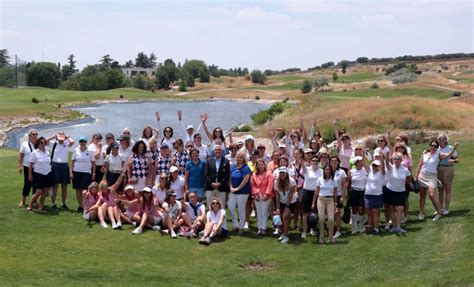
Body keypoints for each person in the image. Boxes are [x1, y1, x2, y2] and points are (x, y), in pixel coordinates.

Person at [415, 140, 459, 221]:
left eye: (435, 146)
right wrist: (416, 177)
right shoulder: (425, 154)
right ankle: (421, 213)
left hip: (431, 177)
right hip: (422, 175)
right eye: (432, 145)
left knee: (432, 194)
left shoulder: (438, 155)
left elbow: (449, 155)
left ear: (437, 147)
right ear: (429, 146)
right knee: (422, 195)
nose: (433, 147)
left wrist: (454, 148)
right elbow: (419, 165)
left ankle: (439, 212)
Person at [46, 132, 74, 209]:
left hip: (64, 166)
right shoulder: (54, 143)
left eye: (62, 139)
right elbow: (45, 141)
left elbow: (72, 142)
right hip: (55, 165)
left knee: (64, 186)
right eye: (59, 139)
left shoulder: (66, 144)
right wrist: (53, 136)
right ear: (57, 138)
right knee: (55, 185)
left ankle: (63, 203)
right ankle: (53, 203)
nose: (61, 140)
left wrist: (67, 136)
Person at [386, 152, 411, 233]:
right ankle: (394, 226)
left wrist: (402, 184)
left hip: (400, 191)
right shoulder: (391, 168)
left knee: (400, 209)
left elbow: (409, 179)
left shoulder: (405, 170)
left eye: (397, 159)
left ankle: (398, 227)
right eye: (394, 159)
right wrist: (386, 158)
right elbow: (387, 163)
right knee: (392, 209)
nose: (395, 160)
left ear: (401, 160)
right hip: (390, 191)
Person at [312, 164, 337, 244]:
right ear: (324, 170)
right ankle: (321, 237)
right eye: (326, 169)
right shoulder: (319, 179)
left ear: (331, 171)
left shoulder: (334, 180)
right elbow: (316, 192)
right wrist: (313, 202)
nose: (327, 171)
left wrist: (336, 203)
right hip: (321, 199)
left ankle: (331, 236)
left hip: (330, 200)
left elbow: (335, 193)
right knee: (321, 219)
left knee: (331, 219)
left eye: (329, 169)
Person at [228, 151, 252, 235]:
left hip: (243, 192)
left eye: (241, 157)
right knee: (230, 207)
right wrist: (231, 187)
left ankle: (241, 227)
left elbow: (245, 180)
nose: (239, 159)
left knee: (241, 210)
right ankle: (235, 225)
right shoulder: (234, 167)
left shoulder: (246, 168)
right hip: (233, 191)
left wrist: (238, 188)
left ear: (244, 159)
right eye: (238, 157)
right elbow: (230, 178)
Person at [27, 137, 53, 211]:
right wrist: (30, 174)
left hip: (48, 173)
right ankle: (30, 205)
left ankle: (41, 206)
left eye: (44, 142)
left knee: (44, 192)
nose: (43, 144)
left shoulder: (47, 152)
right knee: (39, 191)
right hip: (38, 174)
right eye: (41, 142)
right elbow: (31, 164)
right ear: (38, 144)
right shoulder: (35, 152)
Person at [71, 136, 96, 212]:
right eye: (81, 142)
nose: (82, 143)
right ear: (79, 142)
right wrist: (71, 171)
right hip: (76, 171)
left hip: (86, 172)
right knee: (77, 190)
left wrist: (94, 173)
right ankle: (80, 206)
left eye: (84, 142)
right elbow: (72, 161)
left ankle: (86, 205)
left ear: (86, 142)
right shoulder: (76, 150)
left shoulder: (90, 151)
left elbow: (93, 163)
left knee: (84, 190)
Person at [301, 156, 323, 238]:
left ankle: (313, 229)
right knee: (306, 213)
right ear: (311, 162)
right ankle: (304, 231)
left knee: (316, 212)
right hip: (307, 192)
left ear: (319, 162)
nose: (315, 162)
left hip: (317, 193)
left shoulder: (321, 171)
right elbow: (301, 162)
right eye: (313, 160)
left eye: (317, 161)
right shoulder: (307, 169)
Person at [251, 158, 274, 235]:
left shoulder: (269, 173)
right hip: (257, 195)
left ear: (264, 165)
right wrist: (255, 194)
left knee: (264, 212)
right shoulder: (254, 174)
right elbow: (252, 185)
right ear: (256, 166)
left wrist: (267, 194)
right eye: (258, 165)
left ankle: (263, 228)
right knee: (259, 212)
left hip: (266, 195)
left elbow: (270, 185)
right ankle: (259, 227)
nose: (260, 166)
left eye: (262, 164)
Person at [274, 167, 297, 244]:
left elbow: (290, 195)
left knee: (285, 216)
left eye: (283, 172)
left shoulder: (292, 181)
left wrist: (287, 207)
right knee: (278, 217)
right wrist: (278, 208)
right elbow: (277, 197)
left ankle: (285, 235)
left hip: (291, 202)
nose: (282, 174)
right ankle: (283, 232)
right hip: (281, 201)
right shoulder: (276, 182)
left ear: (286, 173)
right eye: (280, 173)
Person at [437, 134, 459, 216]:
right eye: (440, 139)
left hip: (448, 169)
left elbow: (456, 159)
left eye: (443, 138)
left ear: (446, 139)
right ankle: (440, 208)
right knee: (440, 189)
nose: (441, 140)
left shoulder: (450, 148)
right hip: (438, 169)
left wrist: (451, 161)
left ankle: (446, 209)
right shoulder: (436, 148)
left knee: (447, 189)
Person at [347, 155, 369, 234]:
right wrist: (348, 193)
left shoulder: (366, 170)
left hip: (363, 191)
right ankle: (355, 228)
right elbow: (349, 183)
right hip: (354, 191)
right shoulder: (351, 171)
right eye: (360, 161)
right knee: (354, 209)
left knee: (361, 210)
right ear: (356, 163)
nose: (361, 162)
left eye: (362, 160)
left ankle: (361, 227)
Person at [364, 159, 386, 235]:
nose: (375, 167)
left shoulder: (381, 173)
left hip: (377, 195)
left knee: (375, 212)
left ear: (380, 166)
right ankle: (370, 227)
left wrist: (383, 158)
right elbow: (364, 163)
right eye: (373, 165)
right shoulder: (369, 172)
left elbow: (383, 167)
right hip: (368, 194)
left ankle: (376, 228)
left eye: (376, 166)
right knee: (369, 212)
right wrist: (363, 154)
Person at [18, 129, 38, 208]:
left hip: (37, 167)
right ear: (29, 136)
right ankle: (23, 201)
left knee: (36, 185)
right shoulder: (24, 144)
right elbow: (21, 155)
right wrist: (20, 165)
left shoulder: (38, 143)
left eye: (36, 134)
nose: (35, 135)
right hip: (27, 166)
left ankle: (34, 202)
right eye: (34, 134)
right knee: (27, 184)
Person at [330, 156, 347, 238]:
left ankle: (338, 231)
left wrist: (342, 196)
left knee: (337, 213)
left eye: (335, 161)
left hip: (339, 194)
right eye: (332, 161)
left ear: (338, 162)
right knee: (330, 213)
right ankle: (331, 230)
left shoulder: (342, 172)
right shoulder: (327, 171)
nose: (333, 162)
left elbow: (344, 185)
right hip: (329, 195)